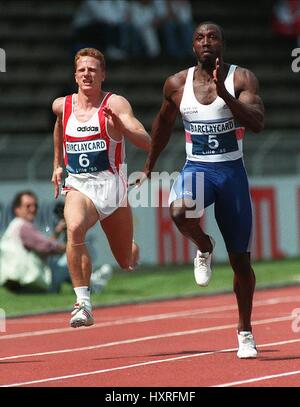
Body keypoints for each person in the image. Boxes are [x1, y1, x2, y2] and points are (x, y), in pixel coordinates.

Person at [139, 22, 265, 358]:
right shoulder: (177, 84)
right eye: (199, 38)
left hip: (231, 173)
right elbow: (164, 123)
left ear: (223, 43)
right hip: (198, 168)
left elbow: (256, 121)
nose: (206, 42)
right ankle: (205, 245)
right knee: (179, 212)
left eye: (212, 37)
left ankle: (245, 331)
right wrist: (151, 161)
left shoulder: (241, 79)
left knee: (240, 260)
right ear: (193, 46)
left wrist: (226, 97)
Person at [51, 47, 151, 328]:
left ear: (103, 75)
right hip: (79, 186)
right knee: (74, 227)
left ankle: (131, 248)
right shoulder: (63, 105)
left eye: (93, 69)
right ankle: (82, 303)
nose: (87, 74)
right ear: (75, 75)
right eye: (82, 69)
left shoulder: (115, 104)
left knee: (126, 262)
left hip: (112, 190)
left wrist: (121, 125)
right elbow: (59, 126)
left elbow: (147, 141)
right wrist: (58, 164)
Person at [0, 191, 68, 293]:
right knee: (69, 259)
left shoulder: (15, 226)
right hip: (31, 282)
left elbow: (43, 246)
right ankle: (90, 286)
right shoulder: (24, 226)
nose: (33, 209)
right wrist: (71, 247)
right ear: (17, 210)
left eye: (35, 206)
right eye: (28, 206)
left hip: (18, 280)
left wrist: (56, 233)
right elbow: (46, 247)